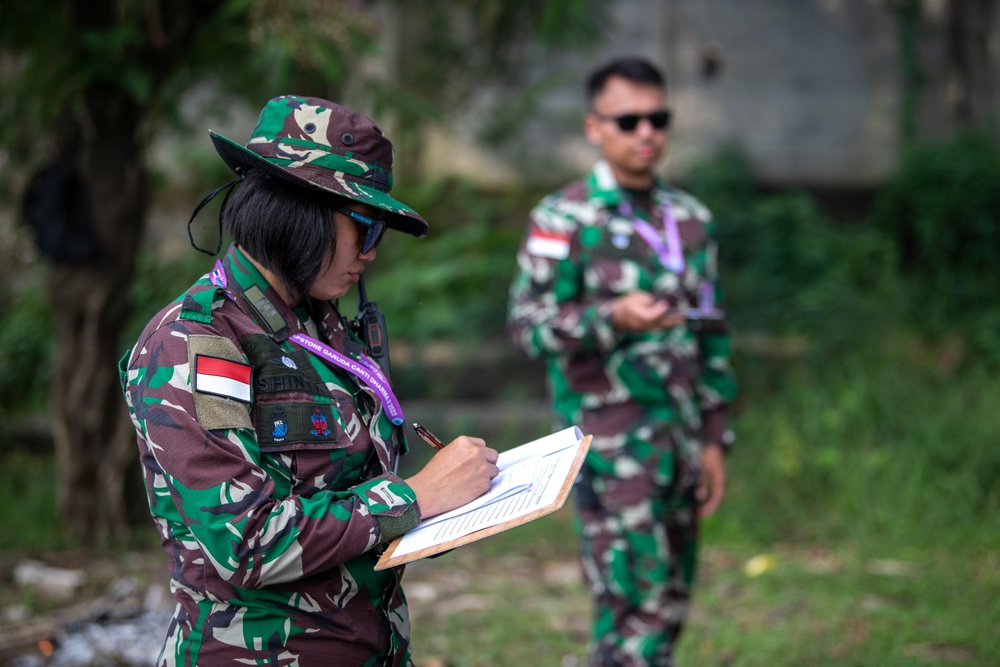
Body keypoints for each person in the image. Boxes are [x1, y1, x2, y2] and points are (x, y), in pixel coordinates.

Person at [120, 95, 500, 666]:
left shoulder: (323, 326)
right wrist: (414, 496)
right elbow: (245, 542)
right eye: (366, 229)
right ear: (301, 211)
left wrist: (450, 505)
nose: (371, 254)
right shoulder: (197, 342)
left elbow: (346, 492)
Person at [506, 57, 737, 666]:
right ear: (594, 127)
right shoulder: (564, 219)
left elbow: (712, 335)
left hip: (681, 440)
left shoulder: (691, 220)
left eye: (657, 118)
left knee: (672, 598)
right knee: (631, 603)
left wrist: (716, 438)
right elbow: (528, 327)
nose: (646, 133)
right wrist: (613, 318)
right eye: (628, 119)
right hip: (610, 448)